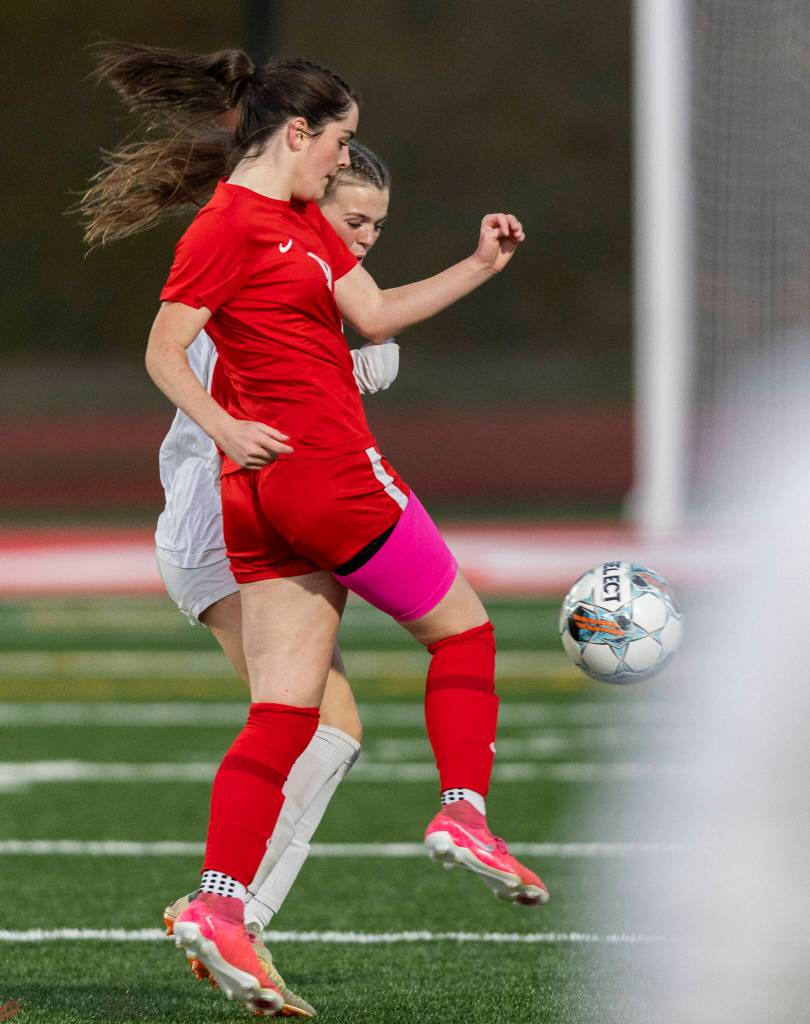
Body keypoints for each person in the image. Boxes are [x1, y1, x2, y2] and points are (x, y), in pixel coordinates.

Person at [83, 42, 547, 1017]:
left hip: (255, 495)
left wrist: (477, 263)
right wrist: (230, 422)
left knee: (295, 717)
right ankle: (463, 811)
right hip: (288, 482)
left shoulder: (297, 227)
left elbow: (369, 317)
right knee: (461, 631)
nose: (345, 168)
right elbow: (169, 347)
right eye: (340, 151)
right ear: (299, 135)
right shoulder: (236, 229)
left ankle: (221, 911)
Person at [155, 142, 395, 1017]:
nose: (363, 241)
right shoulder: (268, 257)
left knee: (323, 726)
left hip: (228, 515)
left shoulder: (297, 264)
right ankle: (228, 915)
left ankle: (228, 915)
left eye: (376, 226)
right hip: (219, 517)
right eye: (350, 220)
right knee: (316, 726)